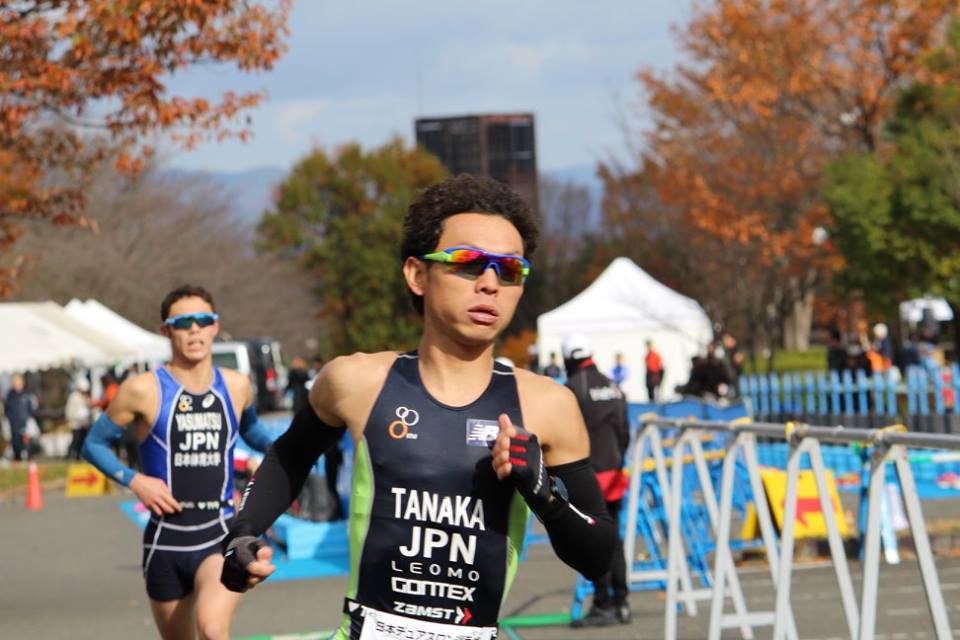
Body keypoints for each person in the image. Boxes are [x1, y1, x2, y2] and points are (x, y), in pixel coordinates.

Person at [220, 174, 617, 640]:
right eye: (468, 263)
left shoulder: (548, 405)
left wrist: (545, 494)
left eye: (509, 269)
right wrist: (244, 532)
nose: (489, 283)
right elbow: (290, 454)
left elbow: (599, 556)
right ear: (417, 274)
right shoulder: (356, 381)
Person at [81, 285, 275, 640]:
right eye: (184, 322)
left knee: (213, 630)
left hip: (219, 532)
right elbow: (93, 445)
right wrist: (135, 480)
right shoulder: (142, 389)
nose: (195, 329)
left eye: (204, 320)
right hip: (165, 541)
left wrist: (292, 452)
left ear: (215, 327)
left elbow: (255, 434)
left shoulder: (236, 386)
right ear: (166, 331)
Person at [562, 334, 631, 627]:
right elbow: (625, 431)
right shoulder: (613, 386)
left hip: (590, 474)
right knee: (614, 539)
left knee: (595, 542)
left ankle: (603, 603)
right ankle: (622, 602)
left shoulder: (573, 388)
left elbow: (565, 434)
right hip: (615, 471)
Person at [4, 373, 37, 461]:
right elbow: (7, 410)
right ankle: (18, 459)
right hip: (14, 424)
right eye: (16, 382)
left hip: (26, 423)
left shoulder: (27, 394)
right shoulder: (10, 396)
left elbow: (31, 408)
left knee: (27, 443)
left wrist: (29, 418)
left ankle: (29, 460)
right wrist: (10, 420)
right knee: (16, 444)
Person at [65, 377, 93, 460]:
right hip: (76, 423)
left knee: (81, 441)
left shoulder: (83, 397)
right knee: (75, 441)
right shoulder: (74, 396)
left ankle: (78, 457)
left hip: (83, 423)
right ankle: (70, 456)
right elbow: (70, 411)